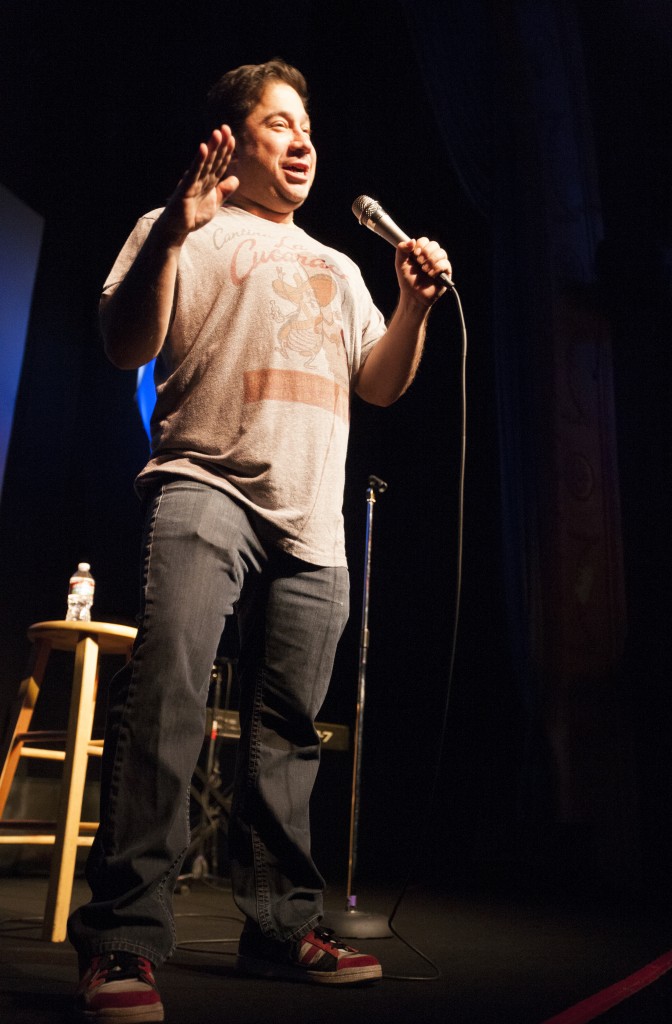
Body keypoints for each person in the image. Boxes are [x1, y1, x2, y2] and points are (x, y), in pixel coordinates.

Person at [68, 59, 452, 1022]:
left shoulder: (341, 264)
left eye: (308, 124)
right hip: (206, 486)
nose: (303, 138)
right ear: (229, 146)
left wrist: (411, 307)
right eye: (278, 122)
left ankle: (280, 928)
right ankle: (121, 941)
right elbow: (124, 343)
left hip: (315, 519)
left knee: (288, 738)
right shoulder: (182, 230)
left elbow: (379, 383)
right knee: (167, 702)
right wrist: (172, 234)